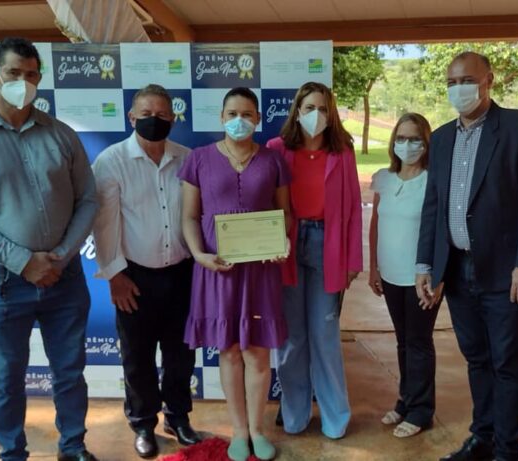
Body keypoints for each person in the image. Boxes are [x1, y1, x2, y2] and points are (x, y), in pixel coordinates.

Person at [0, 37, 98, 461]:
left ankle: (73, 446)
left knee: (70, 371)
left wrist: (61, 256)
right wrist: (24, 262)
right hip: (3, 281)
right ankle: (12, 452)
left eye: (31, 75)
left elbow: (88, 200)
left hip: (64, 276)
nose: (22, 82)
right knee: (6, 376)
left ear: (39, 78)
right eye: (13, 73)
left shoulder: (62, 135)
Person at [416, 51, 518, 461]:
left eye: (467, 80)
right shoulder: (442, 138)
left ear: (488, 80)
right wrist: (426, 263)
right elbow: (433, 206)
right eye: (451, 82)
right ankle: (483, 437)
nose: (459, 88)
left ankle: (507, 450)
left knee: (506, 362)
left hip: (506, 272)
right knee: (476, 358)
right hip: (458, 270)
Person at [179, 87, 291, 461]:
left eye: (246, 113)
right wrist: (199, 255)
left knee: (257, 353)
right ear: (222, 117)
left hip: (261, 271)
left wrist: (282, 240)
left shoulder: (274, 161)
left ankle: (258, 430)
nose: (239, 120)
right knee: (228, 351)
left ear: (258, 118)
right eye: (232, 113)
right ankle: (239, 432)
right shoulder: (198, 159)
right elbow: (189, 216)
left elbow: (285, 214)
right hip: (218, 271)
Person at [91, 84, 202, 459]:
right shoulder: (111, 161)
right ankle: (142, 424)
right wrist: (115, 276)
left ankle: (178, 418)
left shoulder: (187, 159)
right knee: (137, 357)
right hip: (134, 277)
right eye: (146, 114)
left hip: (183, 274)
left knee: (180, 355)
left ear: (173, 117)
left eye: (162, 114)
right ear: (131, 117)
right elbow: (104, 225)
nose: (155, 120)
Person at [266, 81, 362, 439]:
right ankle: (295, 414)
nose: (316, 115)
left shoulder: (342, 152)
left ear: (331, 114)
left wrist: (353, 260)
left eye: (323, 108)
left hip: (328, 246)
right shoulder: (277, 149)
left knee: (324, 335)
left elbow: (353, 208)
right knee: (291, 338)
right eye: (309, 108)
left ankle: (335, 417)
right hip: (288, 246)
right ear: (297, 111)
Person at [368, 112, 437, 439]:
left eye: (414, 139)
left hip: (421, 277)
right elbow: (376, 225)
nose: (407, 145)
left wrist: (437, 275)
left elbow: (440, 232)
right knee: (403, 340)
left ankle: (422, 409)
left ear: (426, 143)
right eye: (401, 138)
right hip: (390, 273)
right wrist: (374, 267)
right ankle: (406, 399)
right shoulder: (384, 179)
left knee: (418, 341)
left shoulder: (433, 181)